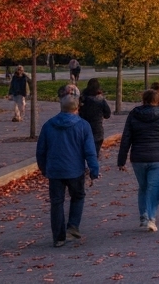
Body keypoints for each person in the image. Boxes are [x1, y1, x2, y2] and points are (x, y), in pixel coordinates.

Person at [36, 94, 100, 247]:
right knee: (78, 196)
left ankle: (58, 237)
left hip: (55, 170)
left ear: (61, 107)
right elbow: (89, 150)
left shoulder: (49, 125)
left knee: (56, 202)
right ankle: (72, 226)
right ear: (77, 108)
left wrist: (43, 168)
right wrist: (94, 169)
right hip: (75, 170)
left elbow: (41, 150)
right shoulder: (83, 125)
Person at [117, 88, 159, 232]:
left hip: (138, 157)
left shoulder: (133, 115)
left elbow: (126, 138)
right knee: (154, 187)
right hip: (158, 157)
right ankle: (151, 217)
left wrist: (121, 159)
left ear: (143, 99)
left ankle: (143, 216)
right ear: (157, 101)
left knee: (143, 187)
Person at [78, 79, 112, 158]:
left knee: (82, 153)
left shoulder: (83, 98)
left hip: (83, 128)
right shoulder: (100, 100)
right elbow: (107, 114)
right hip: (97, 130)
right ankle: (93, 168)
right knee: (94, 155)